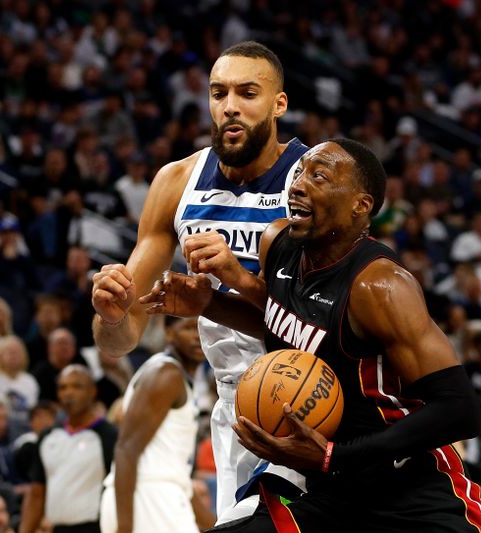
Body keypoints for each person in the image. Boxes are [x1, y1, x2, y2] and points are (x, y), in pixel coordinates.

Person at [142, 139, 481, 531]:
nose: (297, 184)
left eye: (319, 176)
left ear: (360, 206)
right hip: (329, 490)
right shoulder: (277, 243)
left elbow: (460, 409)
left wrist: (334, 456)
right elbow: (283, 324)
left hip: (407, 488)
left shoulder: (379, 285)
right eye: (300, 173)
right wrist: (209, 303)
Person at [90, 41, 308, 522]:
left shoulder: (314, 179)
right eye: (218, 92)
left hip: (314, 398)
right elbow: (119, 339)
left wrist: (236, 277)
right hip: (236, 408)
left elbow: (335, 319)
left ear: (279, 104)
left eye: (247, 92)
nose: (229, 105)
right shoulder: (176, 182)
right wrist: (111, 314)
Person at [100, 316, 215, 533]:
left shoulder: (175, 376)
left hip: (160, 495)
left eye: (202, 328)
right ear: (169, 333)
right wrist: (124, 527)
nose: (197, 336)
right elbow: (126, 449)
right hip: (145, 496)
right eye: (189, 328)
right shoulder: (166, 374)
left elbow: (176, 475)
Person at [19, 365, 117, 533]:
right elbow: (37, 493)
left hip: (96, 527)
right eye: (63, 387)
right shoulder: (47, 436)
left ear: (92, 391)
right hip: (56, 528)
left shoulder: (109, 436)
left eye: (77, 386)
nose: (68, 393)